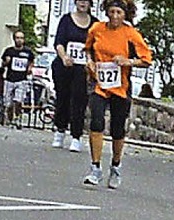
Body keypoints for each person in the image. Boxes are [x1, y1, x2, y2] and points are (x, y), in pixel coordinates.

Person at [83, 0, 152, 188]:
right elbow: (87, 49)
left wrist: (128, 61)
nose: (114, 16)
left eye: (119, 13)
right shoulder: (97, 28)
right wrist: (89, 62)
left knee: (117, 129)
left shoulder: (130, 33)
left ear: (125, 14)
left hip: (121, 87)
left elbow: (146, 60)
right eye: (112, 12)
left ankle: (115, 166)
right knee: (96, 122)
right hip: (99, 85)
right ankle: (95, 168)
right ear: (107, 12)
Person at [51, 0, 97, 153]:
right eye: (80, 0)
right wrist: (64, 57)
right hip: (65, 66)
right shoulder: (66, 20)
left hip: (83, 69)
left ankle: (76, 136)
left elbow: (96, 47)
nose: (83, 3)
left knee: (79, 100)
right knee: (63, 97)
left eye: (86, 1)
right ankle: (60, 130)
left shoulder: (95, 24)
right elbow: (58, 42)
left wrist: (91, 61)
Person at [1, 29, 34, 129]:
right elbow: (2, 65)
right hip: (10, 79)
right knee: (8, 103)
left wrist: (30, 68)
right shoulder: (9, 51)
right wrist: (6, 62)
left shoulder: (28, 52)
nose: (19, 40)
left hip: (21, 80)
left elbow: (31, 62)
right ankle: (10, 120)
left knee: (18, 101)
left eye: (21, 38)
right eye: (17, 38)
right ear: (14, 39)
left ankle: (18, 118)